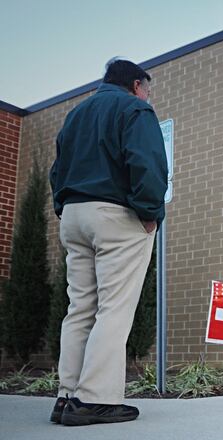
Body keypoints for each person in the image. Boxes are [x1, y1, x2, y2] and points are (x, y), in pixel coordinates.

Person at [48, 58, 167, 426]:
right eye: (148, 89)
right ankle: (96, 399)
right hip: (116, 215)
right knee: (113, 308)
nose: (149, 96)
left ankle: (67, 397)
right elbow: (146, 163)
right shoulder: (135, 109)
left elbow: (58, 170)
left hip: (74, 214)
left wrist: (63, 207)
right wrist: (150, 212)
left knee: (80, 307)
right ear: (135, 85)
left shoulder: (76, 115)